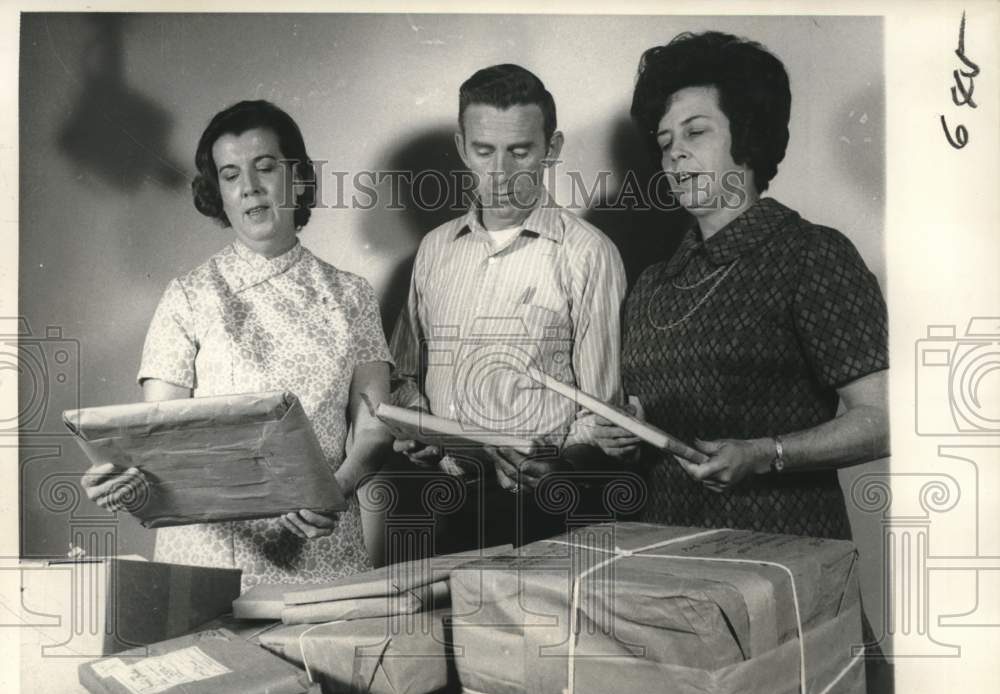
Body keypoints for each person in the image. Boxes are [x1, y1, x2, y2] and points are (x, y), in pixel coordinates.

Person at [81, 99, 394, 590]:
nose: (249, 186)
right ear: (220, 195)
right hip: (209, 555)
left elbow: (374, 430)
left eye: (265, 167)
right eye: (230, 174)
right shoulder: (189, 295)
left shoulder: (352, 295)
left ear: (299, 179)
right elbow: (156, 440)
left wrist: (337, 489)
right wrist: (122, 483)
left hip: (323, 541)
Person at [594, 31, 889, 541]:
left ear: (747, 137)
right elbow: (651, 416)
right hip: (664, 556)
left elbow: (884, 420)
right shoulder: (652, 284)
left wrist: (764, 454)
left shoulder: (811, 255)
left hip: (782, 557)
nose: (675, 156)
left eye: (696, 133)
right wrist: (624, 431)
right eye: (665, 143)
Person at [389, 64, 627, 550]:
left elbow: (603, 407)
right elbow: (405, 375)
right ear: (461, 147)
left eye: (520, 152)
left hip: (548, 511)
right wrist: (417, 429)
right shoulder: (435, 249)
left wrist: (557, 466)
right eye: (483, 151)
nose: (499, 172)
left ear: (552, 149)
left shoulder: (587, 254)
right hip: (447, 503)